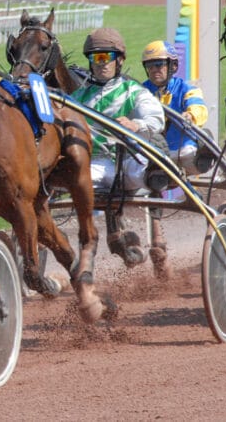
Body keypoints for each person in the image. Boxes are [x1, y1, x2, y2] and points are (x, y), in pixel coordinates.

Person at [70, 27, 166, 269]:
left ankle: (159, 174)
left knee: (145, 171)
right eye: (96, 58)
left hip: (128, 160)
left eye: (107, 57)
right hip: (98, 164)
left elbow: (156, 118)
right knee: (74, 180)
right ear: (90, 61)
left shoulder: (133, 91)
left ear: (119, 60)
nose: (102, 63)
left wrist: (136, 124)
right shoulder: (77, 97)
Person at [141, 40, 209, 175]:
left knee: (190, 154)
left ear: (173, 66)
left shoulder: (187, 89)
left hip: (183, 150)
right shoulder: (140, 91)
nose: (154, 70)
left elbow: (198, 106)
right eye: (150, 66)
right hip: (154, 153)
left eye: (159, 64)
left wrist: (190, 115)